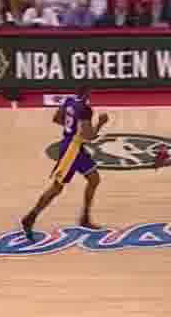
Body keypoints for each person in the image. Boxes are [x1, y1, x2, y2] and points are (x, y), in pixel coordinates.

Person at [20, 85, 110, 241]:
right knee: (56, 188)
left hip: (74, 146)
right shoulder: (85, 109)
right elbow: (89, 137)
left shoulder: (69, 101)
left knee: (94, 179)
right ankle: (30, 217)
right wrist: (101, 123)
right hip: (71, 151)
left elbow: (56, 119)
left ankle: (85, 217)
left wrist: (72, 128)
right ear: (89, 92)